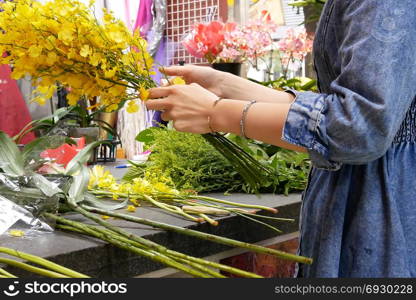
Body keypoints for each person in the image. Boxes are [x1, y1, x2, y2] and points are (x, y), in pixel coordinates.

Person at [146, 0, 416, 277]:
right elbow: (350, 109)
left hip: (382, 210)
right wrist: (225, 86)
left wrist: (215, 113)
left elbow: (359, 129)